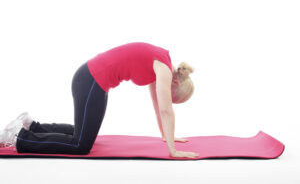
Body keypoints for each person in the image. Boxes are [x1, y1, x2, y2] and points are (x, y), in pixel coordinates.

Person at [0, 42, 198, 158]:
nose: (168, 101)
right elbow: (165, 110)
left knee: (83, 134)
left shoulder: (161, 62)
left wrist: (166, 136)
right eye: (172, 99)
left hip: (94, 80)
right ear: (175, 83)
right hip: (91, 79)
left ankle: (31, 126)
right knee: (81, 145)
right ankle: (19, 138)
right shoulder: (163, 67)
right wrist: (173, 151)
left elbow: (158, 105)